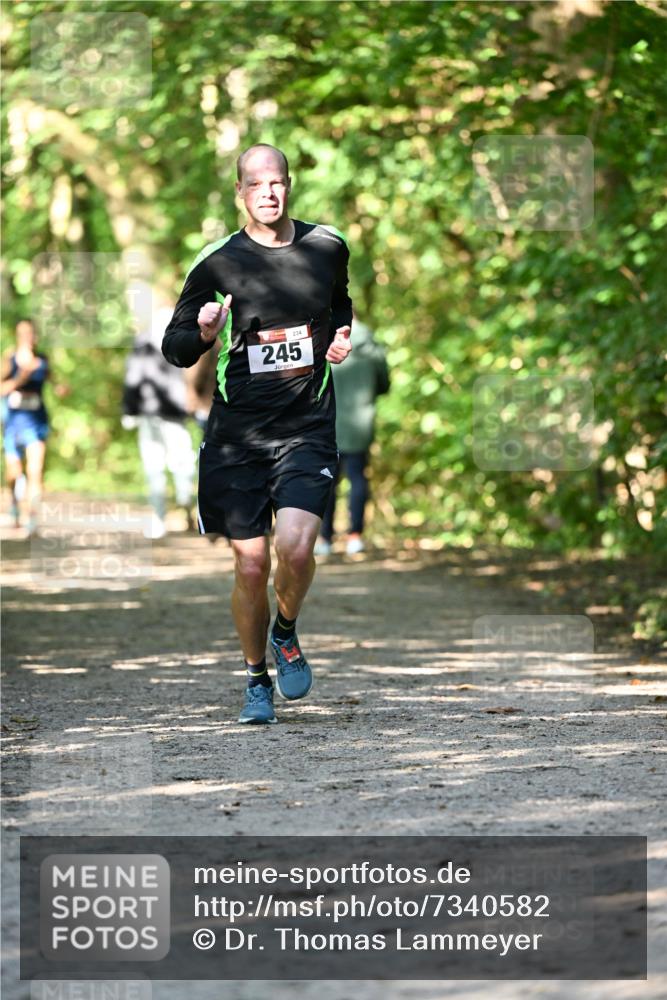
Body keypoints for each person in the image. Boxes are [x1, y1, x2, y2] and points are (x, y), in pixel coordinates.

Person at [162, 143, 352, 724]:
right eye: (256, 184)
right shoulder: (216, 262)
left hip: (307, 427)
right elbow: (175, 349)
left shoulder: (327, 246)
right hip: (237, 439)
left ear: (289, 186)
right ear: (240, 192)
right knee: (250, 566)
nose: (268, 192)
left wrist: (340, 337)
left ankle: (285, 632)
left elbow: (340, 305)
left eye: (277, 182)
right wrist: (202, 332)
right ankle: (255, 680)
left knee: (295, 548)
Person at [122, 301, 197, 540]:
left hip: (161, 412)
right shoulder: (175, 339)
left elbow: (133, 377)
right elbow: (133, 376)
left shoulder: (149, 342)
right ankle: (179, 505)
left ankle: (173, 509)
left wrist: (129, 410)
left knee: (163, 465)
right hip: (165, 412)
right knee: (174, 463)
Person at [315, 317, 389, 556]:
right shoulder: (371, 344)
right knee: (358, 478)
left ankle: (324, 538)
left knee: (327, 480)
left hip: (328, 423)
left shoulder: (323, 339)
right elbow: (384, 384)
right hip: (360, 423)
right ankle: (355, 536)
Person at [1, 319, 51, 535]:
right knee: (14, 472)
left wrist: (60, 388)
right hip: (13, 422)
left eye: (31, 333)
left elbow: (53, 380)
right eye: (23, 333)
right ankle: (14, 506)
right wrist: (21, 377)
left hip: (36, 421)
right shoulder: (9, 359)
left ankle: (32, 517)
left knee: (35, 470)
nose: (28, 337)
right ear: (18, 335)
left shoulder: (42, 360)